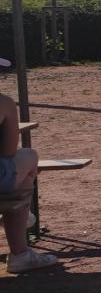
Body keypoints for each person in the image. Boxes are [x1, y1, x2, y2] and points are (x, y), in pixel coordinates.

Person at [0, 94, 51, 274]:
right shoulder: (3, 102)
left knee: (22, 176)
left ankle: (22, 215)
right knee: (29, 156)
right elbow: (8, 151)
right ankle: (20, 255)